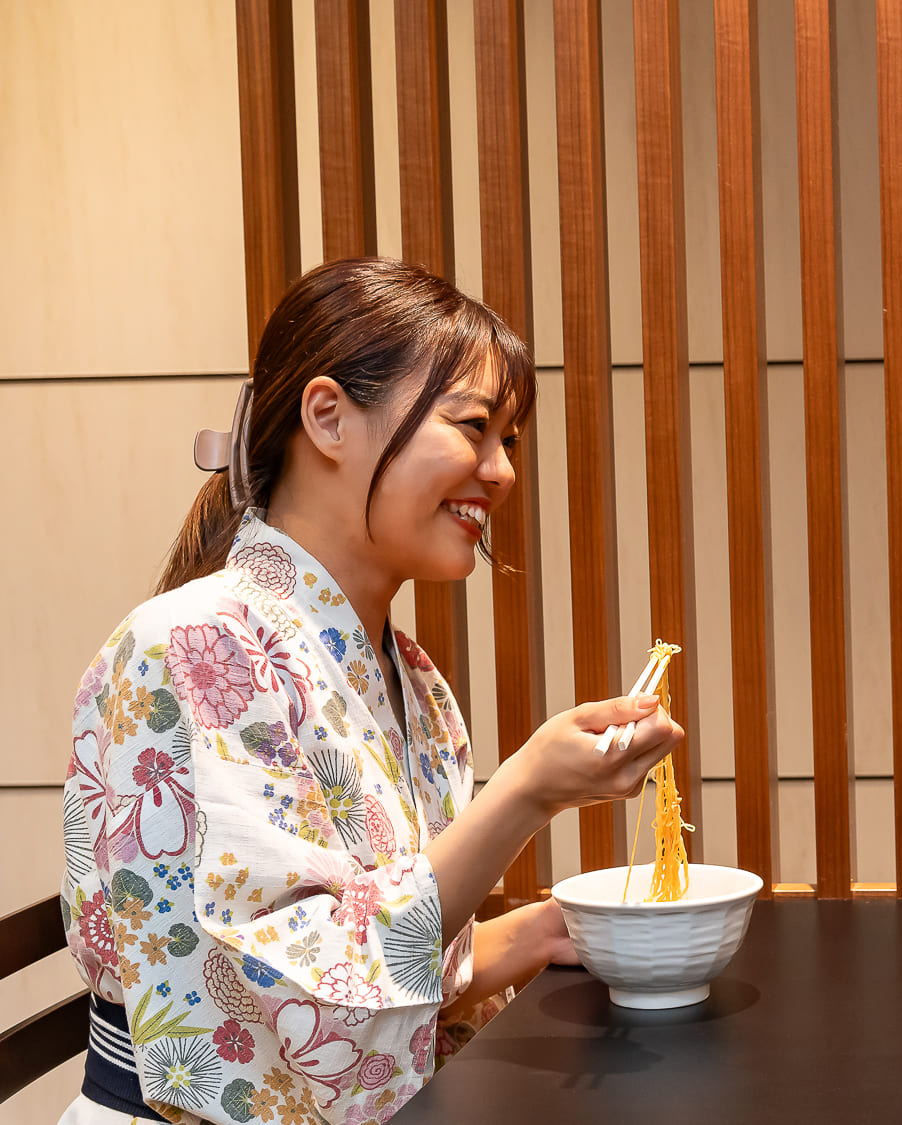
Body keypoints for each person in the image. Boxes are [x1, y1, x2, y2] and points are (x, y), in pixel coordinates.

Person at [58, 258, 680, 1124]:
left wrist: (543, 930)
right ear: (327, 417)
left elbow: (376, 976)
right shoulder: (192, 645)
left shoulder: (409, 675)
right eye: (474, 427)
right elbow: (289, 1004)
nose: (500, 471)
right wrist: (527, 790)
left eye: (509, 440)